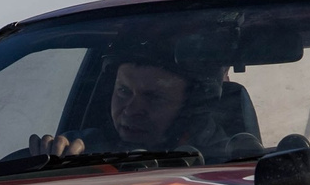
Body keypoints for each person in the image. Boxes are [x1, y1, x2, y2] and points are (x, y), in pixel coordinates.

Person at [29, 43, 247, 159]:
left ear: (189, 108)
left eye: (154, 97)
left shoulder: (224, 162)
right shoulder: (79, 150)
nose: (131, 110)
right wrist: (48, 166)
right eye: (124, 91)